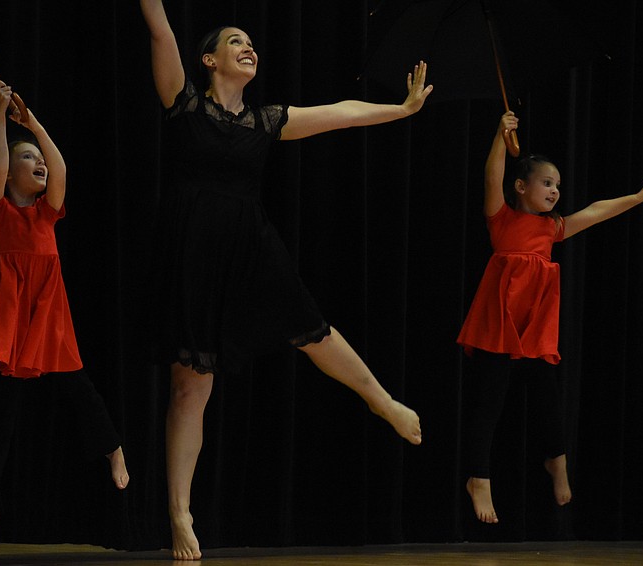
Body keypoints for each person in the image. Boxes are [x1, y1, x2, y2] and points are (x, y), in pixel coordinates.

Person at [139, 0, 432, 559]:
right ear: (208, 59)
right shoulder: (183, 105)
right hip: (193, 252)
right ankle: (180, 511)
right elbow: (158, 27)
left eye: (252, 42)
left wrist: (400, 110)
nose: (249, 47)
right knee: (191, 386)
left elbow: (340, 112)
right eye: (234, 42)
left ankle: (382, 400)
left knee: (312, 328)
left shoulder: (267, 120)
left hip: (250, 247)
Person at [0, 82, 129, 565]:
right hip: (7, 325)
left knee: (82, 392)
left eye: (38, 158)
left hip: (46, 319)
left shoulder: (48, 214)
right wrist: (0, 113)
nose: (39, 163)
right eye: (30, 158)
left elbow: (61, 166)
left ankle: (113, 448)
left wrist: (35, 126)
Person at [457, 111, 643, 524]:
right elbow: (491, 174)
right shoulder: (502, 219)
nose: (555, 191)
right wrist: (501, 134)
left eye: (557, 185)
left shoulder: (552, 228)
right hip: (499, 322)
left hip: (532, 325)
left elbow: (595, 212)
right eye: (546, 183)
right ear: (521, 186)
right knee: (489, 403)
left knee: (548, 398)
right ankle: (479, 478)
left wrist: (637, 198)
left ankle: (557, 460)